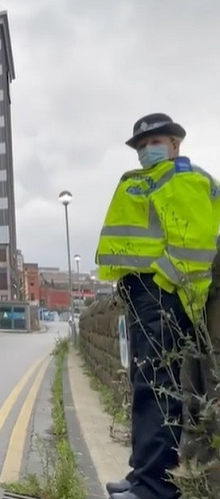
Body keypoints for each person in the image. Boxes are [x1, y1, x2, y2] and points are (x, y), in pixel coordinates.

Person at [96, 113, 220, 499]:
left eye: (155, 141)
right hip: (147, 294)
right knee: (146, 385)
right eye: (141, 146)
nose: (147, 150)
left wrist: (164, 286)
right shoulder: (154, 180)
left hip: (162, 295)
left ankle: (153, 488)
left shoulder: (182, 178)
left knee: (158, 389)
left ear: (175, 144)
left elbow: (195, 245)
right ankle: (143, 474)